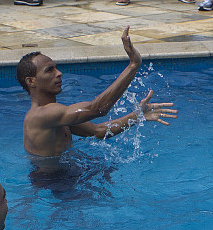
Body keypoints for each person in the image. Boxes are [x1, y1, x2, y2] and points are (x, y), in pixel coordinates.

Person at [18, 26, 177, 157]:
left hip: (64, 175)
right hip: (52, 181)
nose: (59, 73)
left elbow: (98, 131)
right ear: (31, 81)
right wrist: (133, 65)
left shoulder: (55, 115)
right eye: (49, 70)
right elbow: (97, 109)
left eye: (56, 68)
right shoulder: (42, 115)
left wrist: (137, 115)